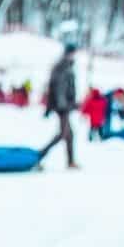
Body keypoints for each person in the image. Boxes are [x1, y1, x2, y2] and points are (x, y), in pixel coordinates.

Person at [39, 42, 80, 170]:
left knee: (69, 134)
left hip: (64, 105)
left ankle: (70, 161)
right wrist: (63, 105)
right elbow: (58, 88)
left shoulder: (67, 65)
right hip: (61, 106)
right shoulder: (62, 66)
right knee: (63, 133)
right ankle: (40, 155)